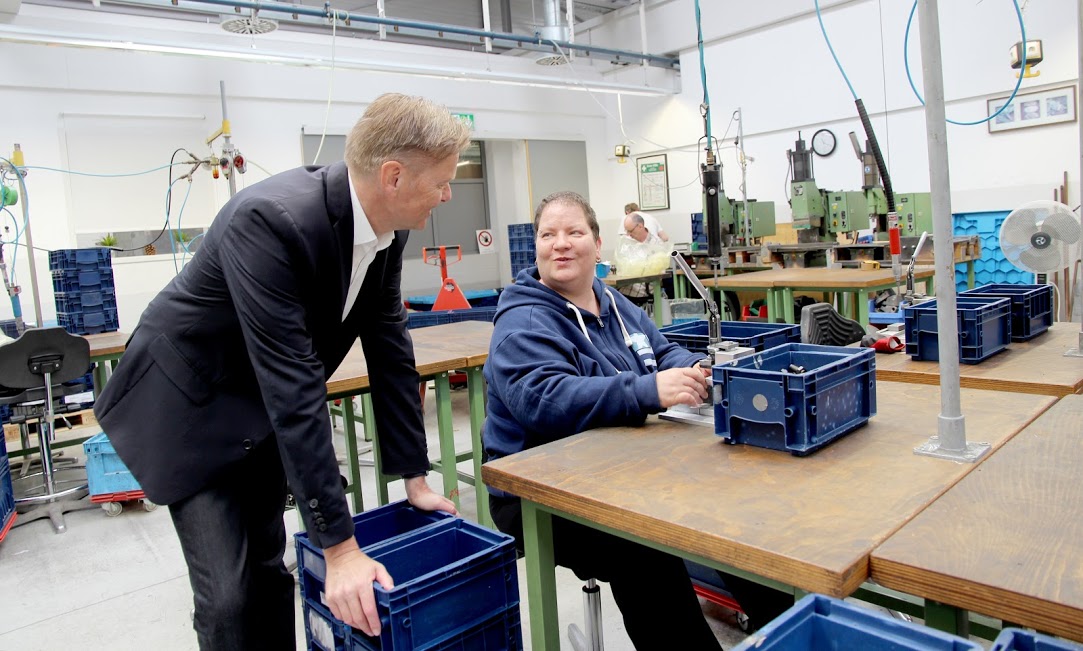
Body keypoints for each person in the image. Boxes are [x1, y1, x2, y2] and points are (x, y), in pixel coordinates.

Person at [94, 93, 469, 649]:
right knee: (228, 596)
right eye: (442, 181)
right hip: (193, 405)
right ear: (392, 176)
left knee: (269, 568)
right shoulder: (271, 220)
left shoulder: (390, 230)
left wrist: (413, 475)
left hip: (261, 404)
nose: (447, 194)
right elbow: (292, 383)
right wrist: (340, 550)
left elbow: (389, 343)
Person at [482, 191, 723, 650]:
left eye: (574, 233)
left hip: (613, 465)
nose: (561, 244)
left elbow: (660, 347)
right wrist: (647, 390)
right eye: (548, 235)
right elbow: (546, 401)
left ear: (597, 244)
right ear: (537, 248)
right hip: (539, 489)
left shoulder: (611, 303)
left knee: (723, 508)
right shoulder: (524, 321)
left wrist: (691, 368)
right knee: (643, 544)